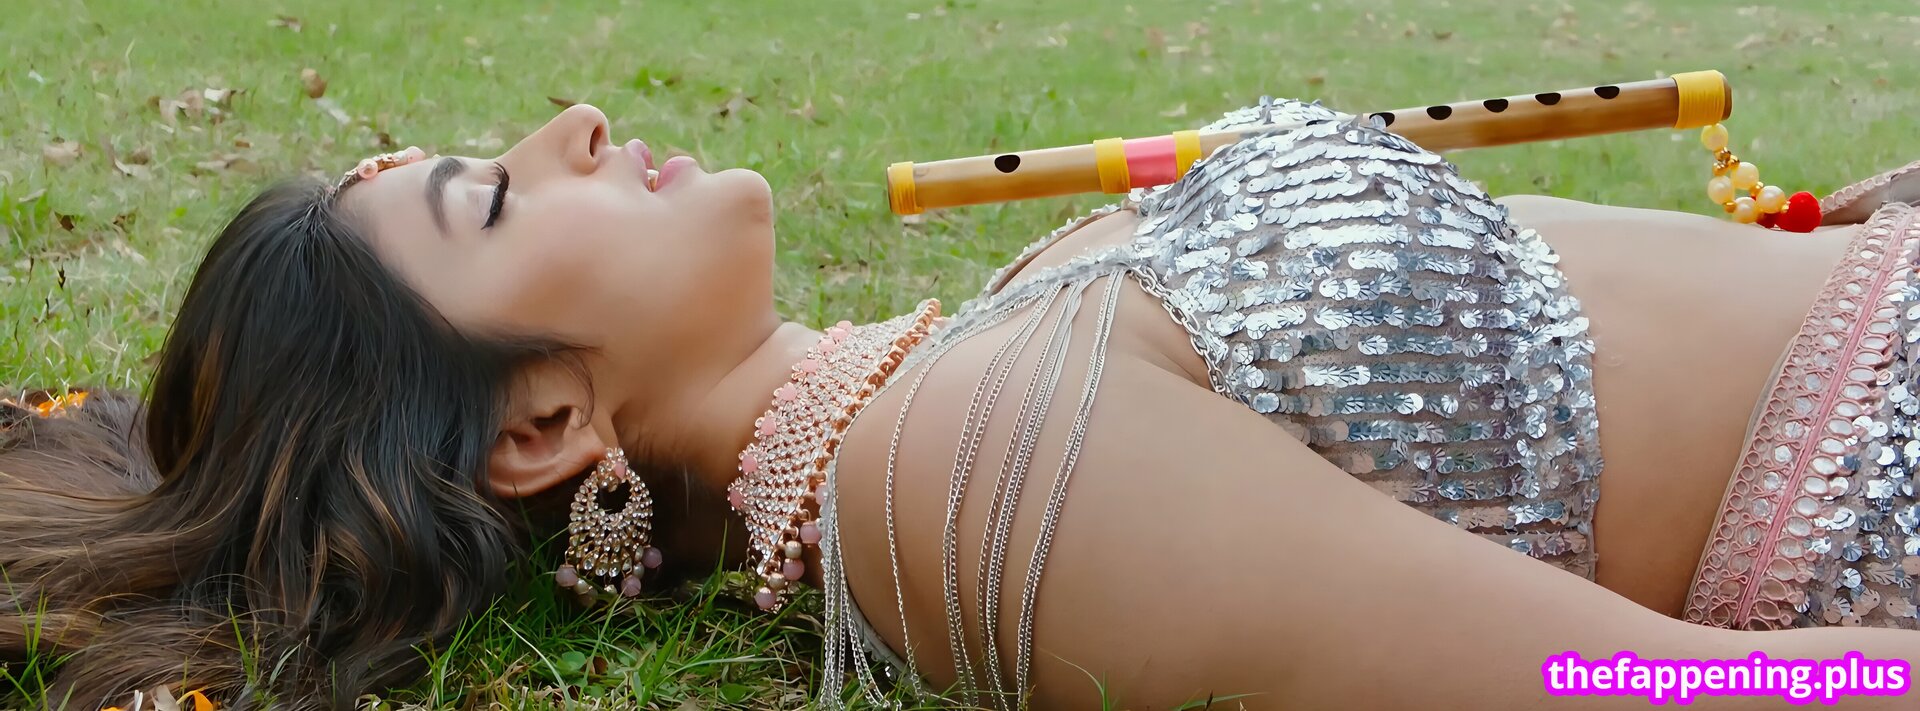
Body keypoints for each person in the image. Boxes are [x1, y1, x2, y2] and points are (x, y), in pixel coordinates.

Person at [4, 98, 1920, 710]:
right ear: (538, 433)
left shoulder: (941, 393)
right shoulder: (958, 476)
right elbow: (1638, 689)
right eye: (492, 201)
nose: (571, 122)